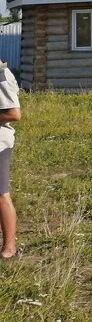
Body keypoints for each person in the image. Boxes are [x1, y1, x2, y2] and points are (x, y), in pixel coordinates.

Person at [0, 58, 19, 260]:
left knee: (1, 193)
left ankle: (9, 247)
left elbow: (14, 113)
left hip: (0, 144)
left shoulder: (1, 76)